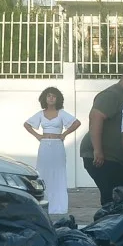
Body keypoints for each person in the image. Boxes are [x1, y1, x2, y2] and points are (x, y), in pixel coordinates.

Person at [80, 63, 123, 206]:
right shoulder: (112, 95)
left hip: (118, 160)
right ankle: (106, 226)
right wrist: (98, 151)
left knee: (122, 197)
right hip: (103, 157)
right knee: (114, 199)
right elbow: (95, 117)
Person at [23, 87, 79, 215]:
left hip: (57, 146)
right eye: (49, 96)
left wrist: (64, 134)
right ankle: (43, 202)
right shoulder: (40, 114)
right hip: (44, 147)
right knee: (43, 172)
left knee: (58, 173)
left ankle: (58, 205)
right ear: (45, 98)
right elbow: (26, 124)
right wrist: (37, 136)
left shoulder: (62, 113)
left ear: (58, 98)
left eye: (54, 96)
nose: (51, 98)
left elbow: (76, 123)